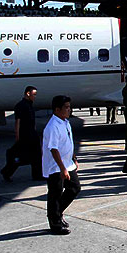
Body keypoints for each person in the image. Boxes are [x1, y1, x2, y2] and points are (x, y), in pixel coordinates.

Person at [42, 95, 80, 235]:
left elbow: (68, 142)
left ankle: (57, 213)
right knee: (55, 194)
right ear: (57, 109)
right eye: (66, 107)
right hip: (56, 167)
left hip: (68, 164)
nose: (69, 110)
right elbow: (53, 148)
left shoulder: (65, 122)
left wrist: (74, 158)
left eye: (70, 107)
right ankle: (55, 224)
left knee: (75, 188)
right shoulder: (52, 126)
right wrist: (62, 168)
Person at [1, 85, 43, 181]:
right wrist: (18, 136)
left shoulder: (29, 105)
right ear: (28, 93)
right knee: (21, 156)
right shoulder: (21, 106)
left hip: (32, 133)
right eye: (34, 94)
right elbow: (18, 122)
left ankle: (37, 175)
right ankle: (7, 171)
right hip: (25, 135)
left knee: (36, 155)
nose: (35, 97)